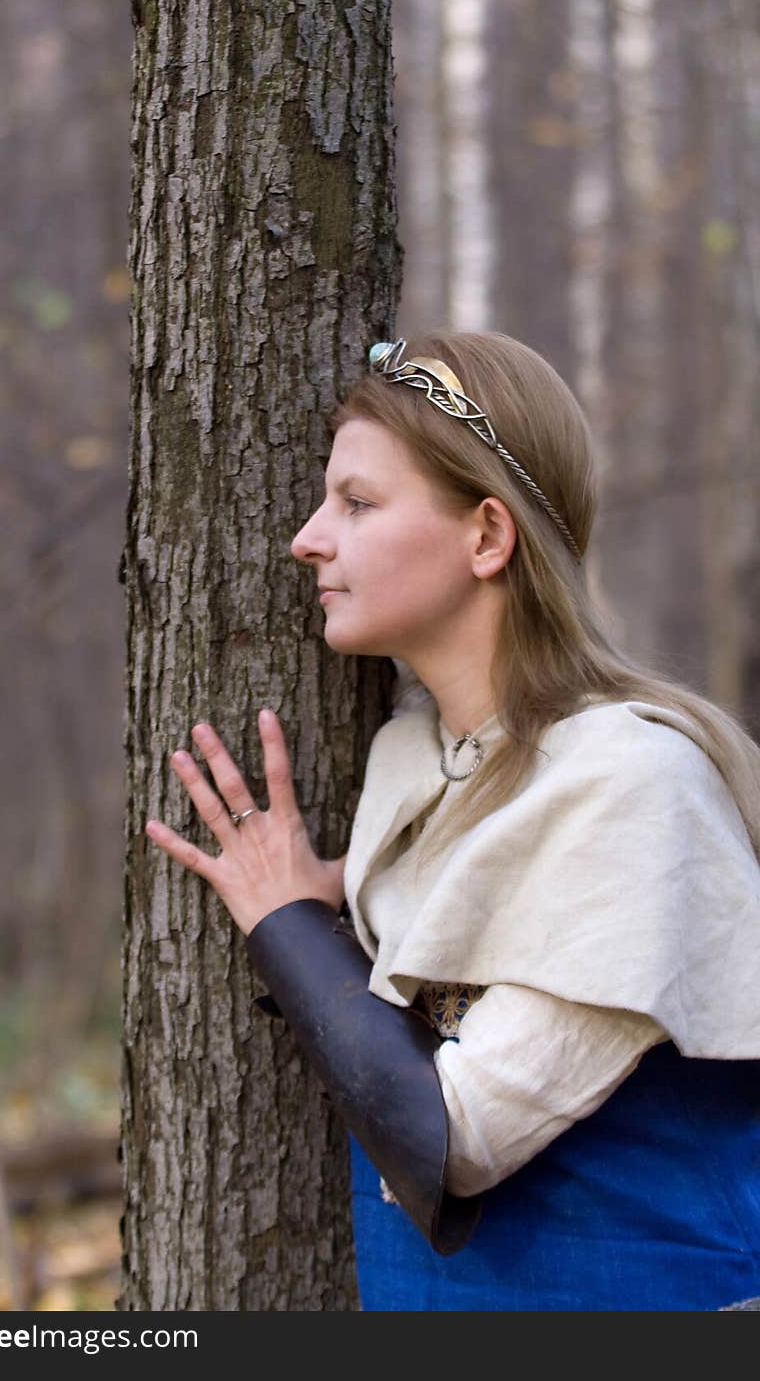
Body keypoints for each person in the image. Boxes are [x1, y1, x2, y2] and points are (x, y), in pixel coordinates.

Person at [145, 331, 760, 1311]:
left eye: (356, 502)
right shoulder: (407, 762)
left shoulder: (634, 779)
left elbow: (454, 1139)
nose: (307, 537)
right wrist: (325, 911)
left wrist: (289, 925)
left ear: (485, 536)